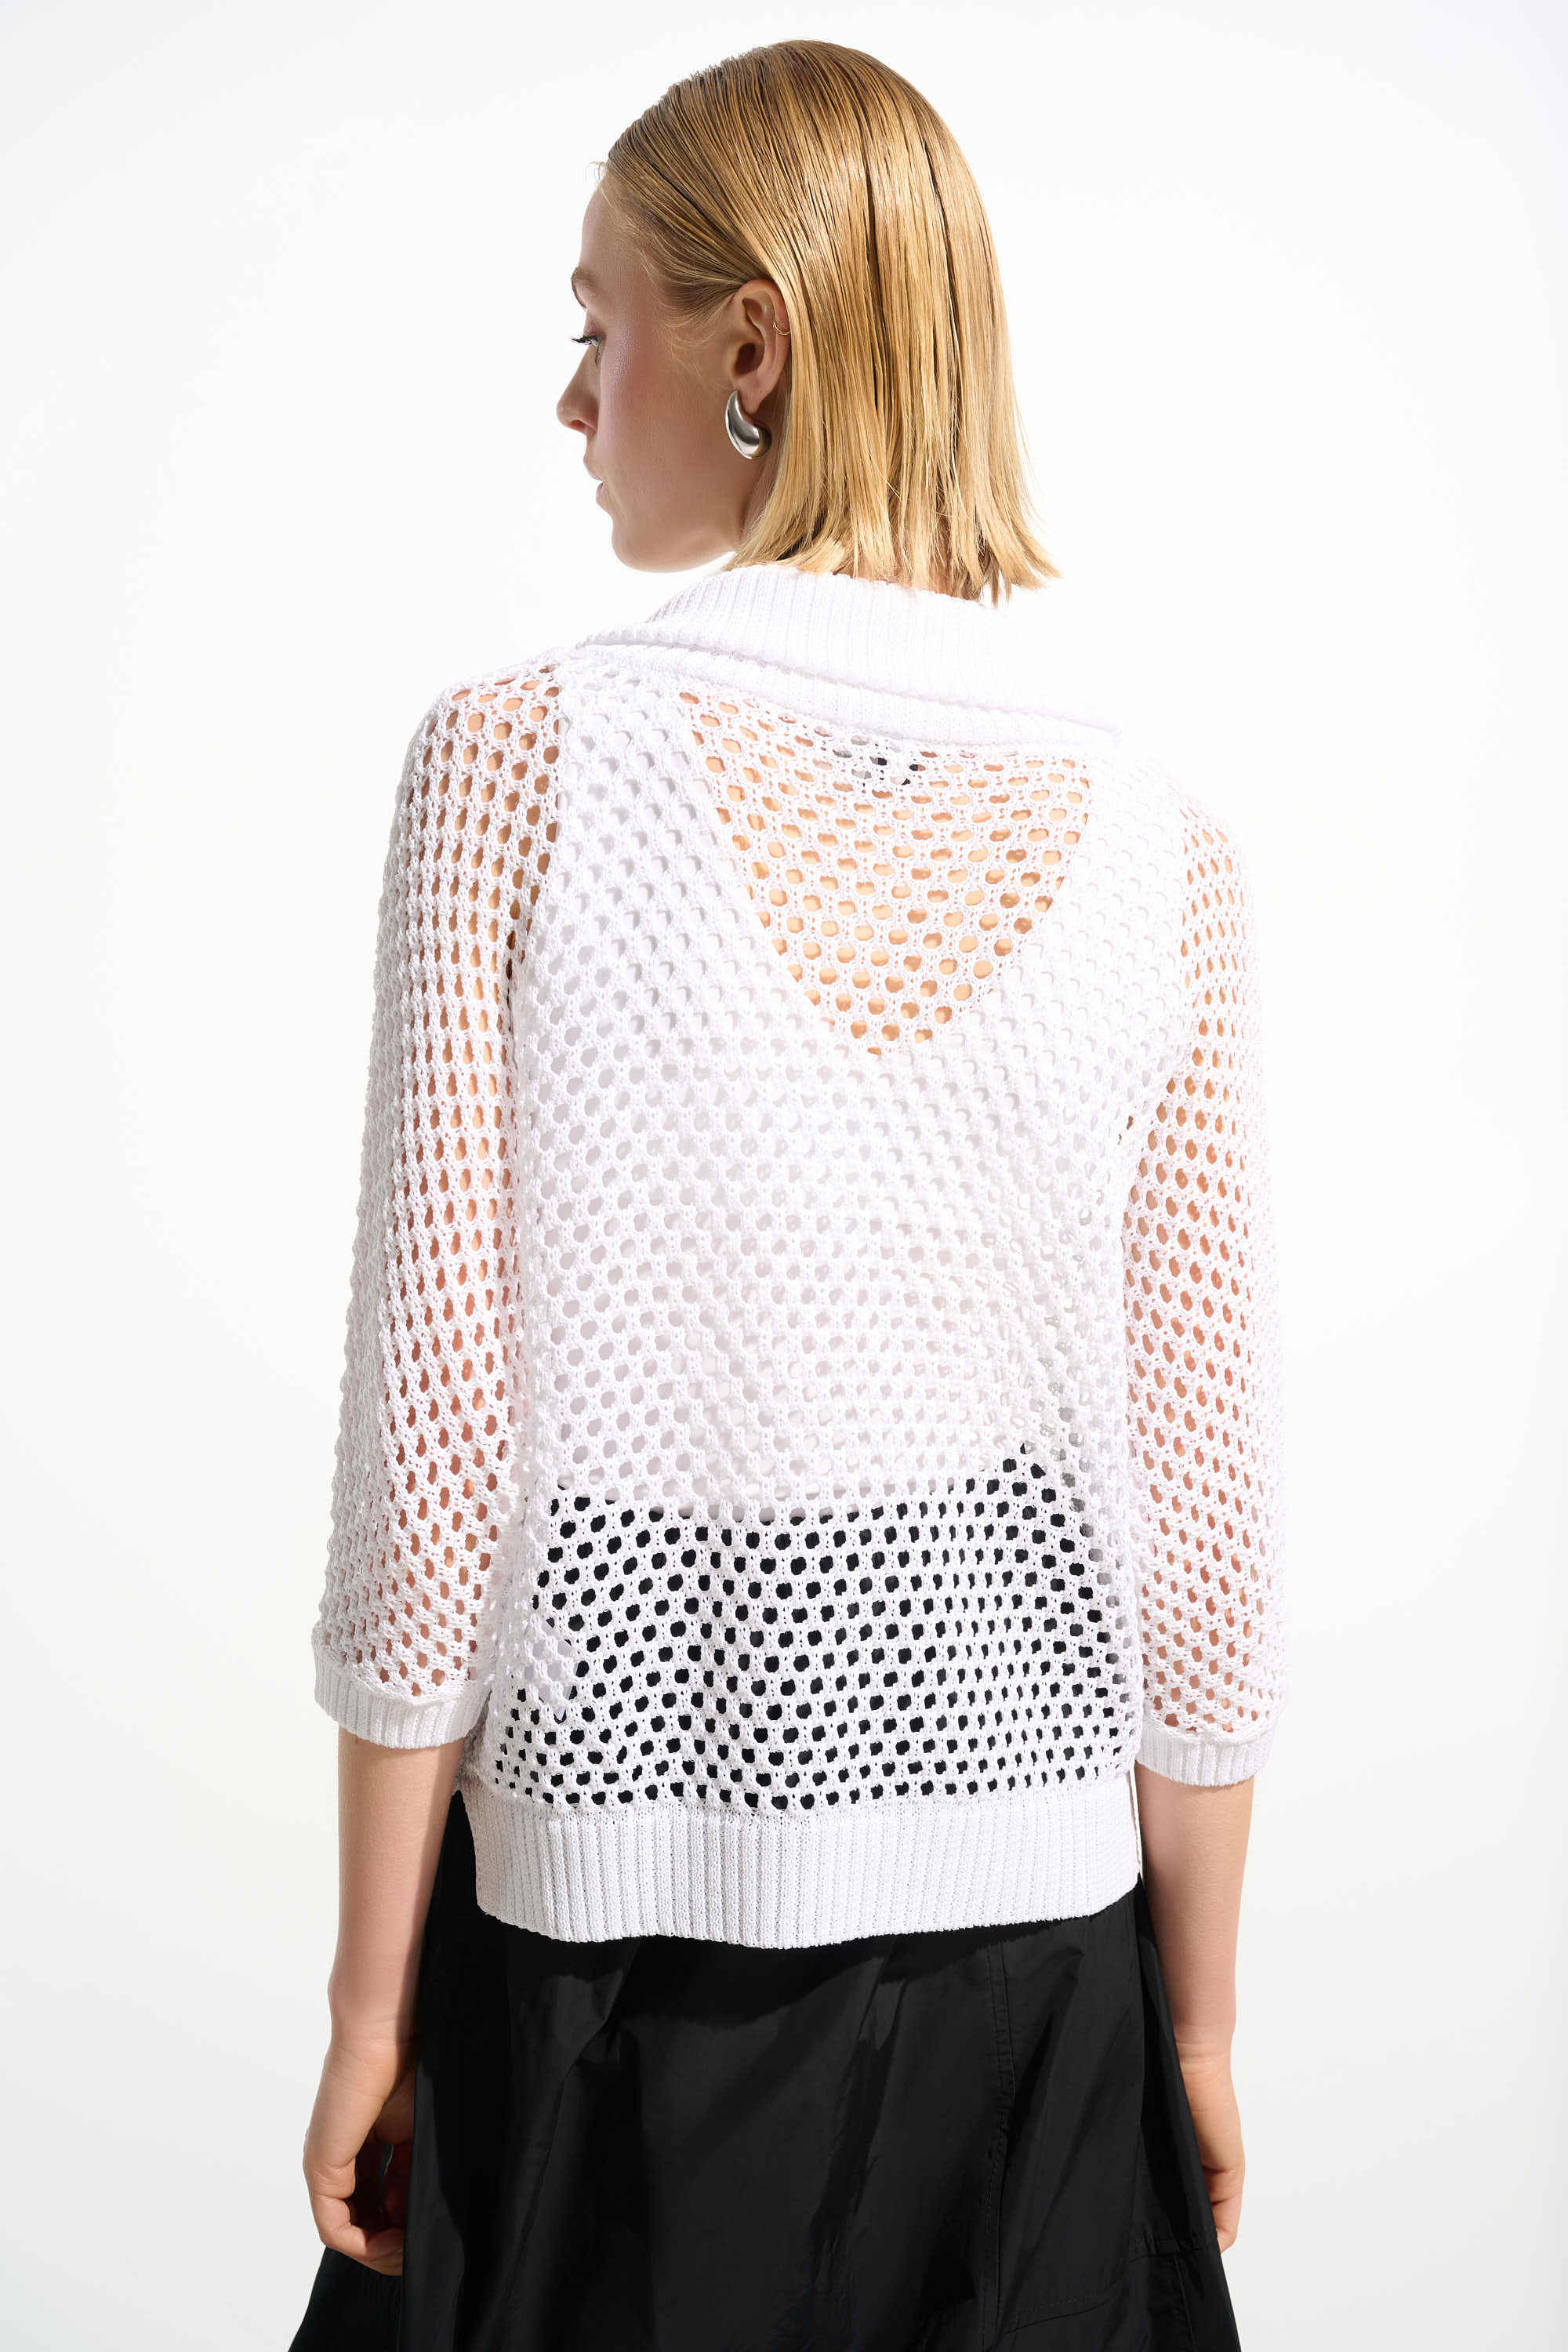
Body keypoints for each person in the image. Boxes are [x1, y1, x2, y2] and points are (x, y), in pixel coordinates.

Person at [291, 38, 1287, 2352]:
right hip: (1044, 1978)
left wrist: (368, 2005)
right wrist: (1203, 2025)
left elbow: (438, 1445)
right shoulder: (1168, 849)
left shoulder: (525, 761)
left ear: (751, 345)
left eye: (598, 323)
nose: (572, 399)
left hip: (609, 1969)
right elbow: (1210, 1512)